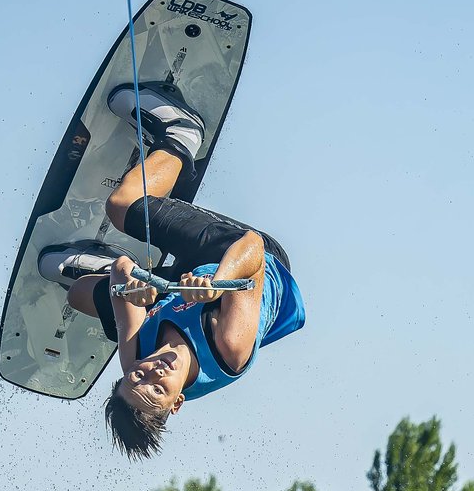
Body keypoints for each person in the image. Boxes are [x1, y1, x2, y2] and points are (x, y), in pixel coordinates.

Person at [39, 83, 306, 458]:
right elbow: (253, 250)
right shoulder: (229, 345)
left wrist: (128, 287)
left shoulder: (136, 361)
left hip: (182, 288)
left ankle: (124, 266)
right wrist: (214, 285)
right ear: (177, 403)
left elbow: (119, 271)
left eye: (138, 376)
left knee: (78, 293)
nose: (154, 372)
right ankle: (182, 134)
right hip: (240, 262)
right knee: (121, 206)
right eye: (160, 388)